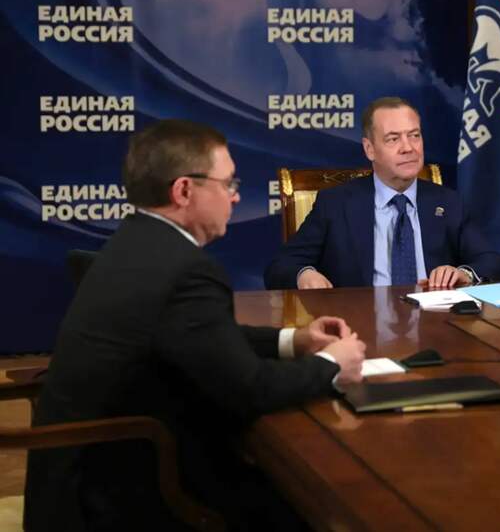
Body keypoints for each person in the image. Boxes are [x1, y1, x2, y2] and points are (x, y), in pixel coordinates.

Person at [25, 120, 366, 531]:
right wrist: (333, 364)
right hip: (129, 497)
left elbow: (200, 338)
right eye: (227, 183)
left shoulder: (137, 241)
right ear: (184, 190)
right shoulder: (184, 269)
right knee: (321, 504)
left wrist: (294, 340)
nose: (236, 196)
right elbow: (250, 390)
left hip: (77, 481)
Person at [264, 96, 500, 290]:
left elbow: (492, 262)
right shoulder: (336, 204)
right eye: (393, 139)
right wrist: (305, 274)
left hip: (435, 322)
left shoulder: (447, 202)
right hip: (360, 324)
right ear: (370, 149)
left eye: (414, 136)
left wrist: (463, 273)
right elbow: (280, 267)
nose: (408, 148)